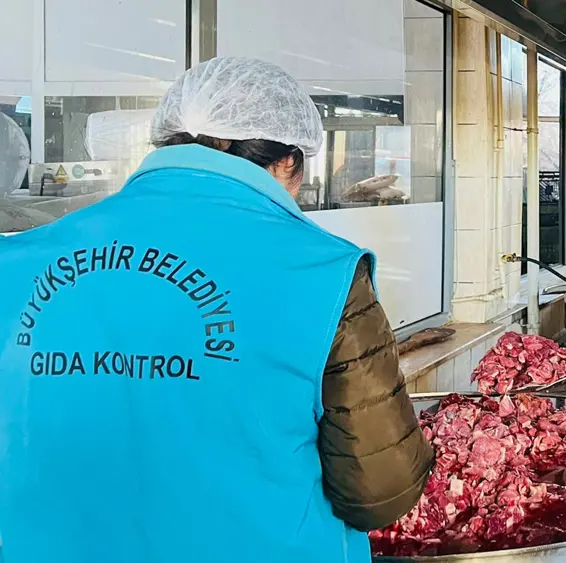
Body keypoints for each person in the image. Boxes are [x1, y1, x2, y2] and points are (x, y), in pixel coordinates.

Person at [0, 57, 434, 563]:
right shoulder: (324, 271)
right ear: (288, 163)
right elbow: (379, 492)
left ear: (165, 142)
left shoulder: (18, 260)